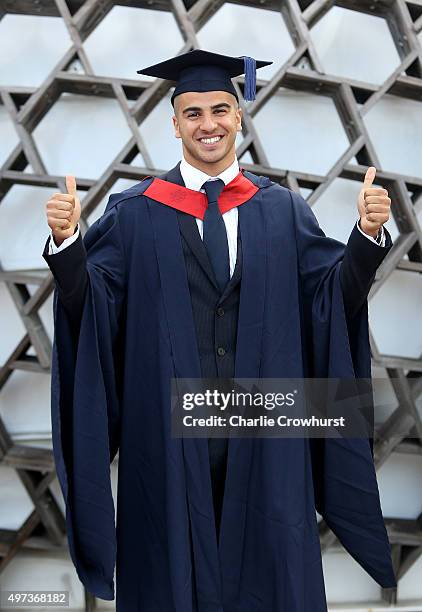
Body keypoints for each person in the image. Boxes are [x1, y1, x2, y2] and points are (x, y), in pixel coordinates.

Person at [43, 49, 396, 612]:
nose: (208, 124)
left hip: (263, 429)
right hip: (168, 437)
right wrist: (68, 247)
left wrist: (365, 236)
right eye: (193, 113)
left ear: (238, 115)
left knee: (268, 564)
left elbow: (331, 298)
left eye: (220, 110)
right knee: (171, 569)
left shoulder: (279, 210)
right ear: (175, 122)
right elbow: (94, 306)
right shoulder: (135, 213)